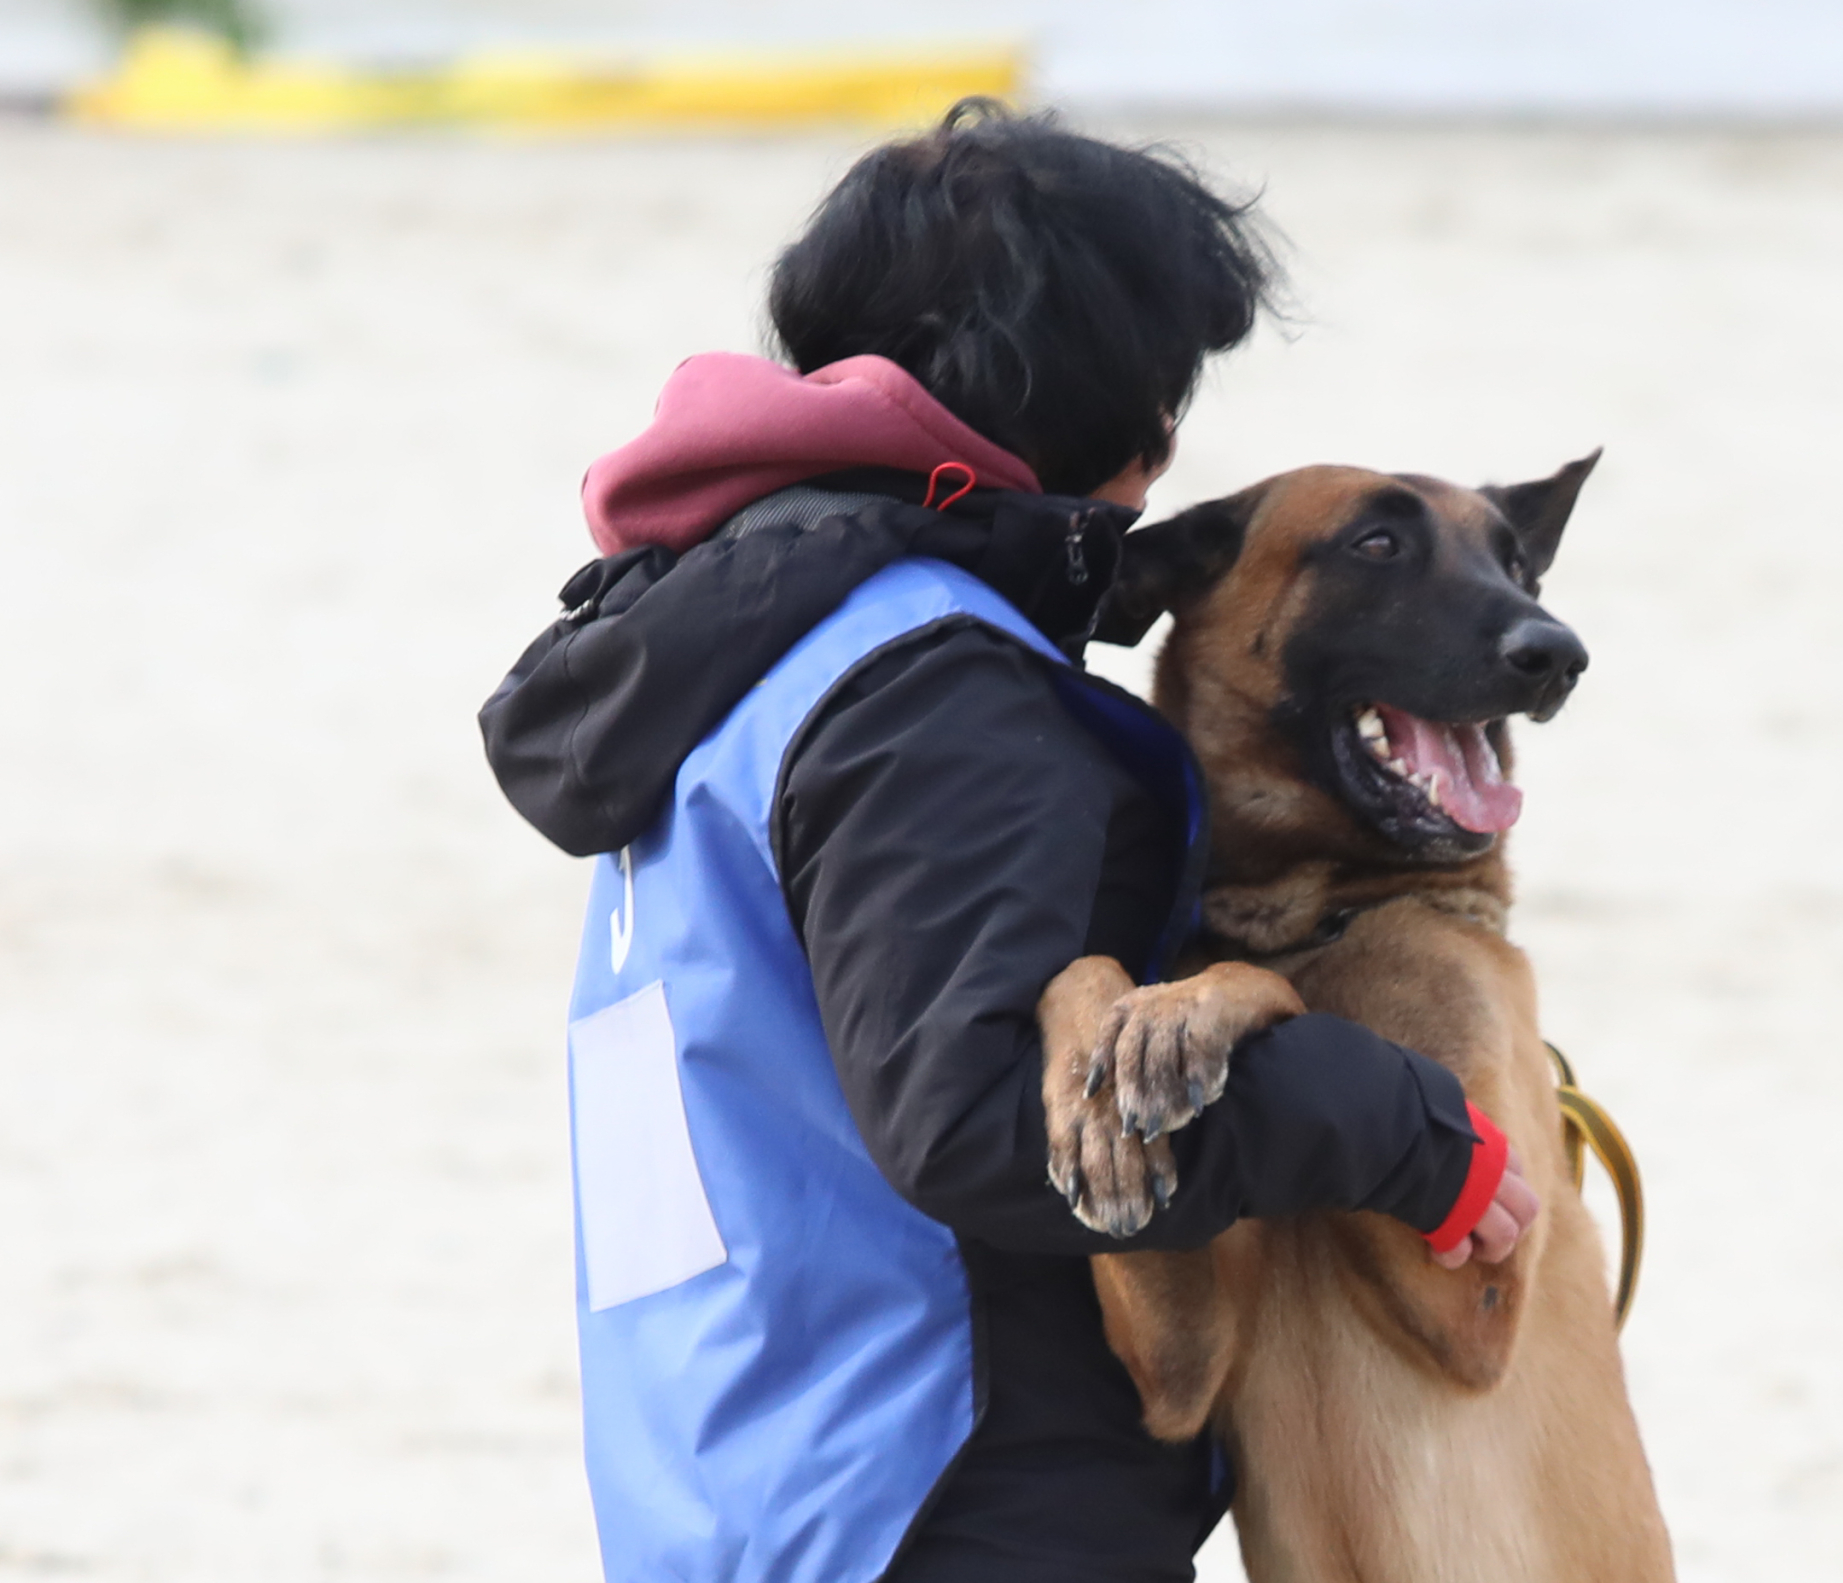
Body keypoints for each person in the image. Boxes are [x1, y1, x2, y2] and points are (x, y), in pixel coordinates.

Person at [480, 101, 1538, 1583]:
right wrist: (1409, 1132)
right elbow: (979, 1116)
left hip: (729, 1467)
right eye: (1170, 393)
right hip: (942, 1483)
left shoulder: (724, 653)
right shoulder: (935, 686)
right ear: (1118, 412)